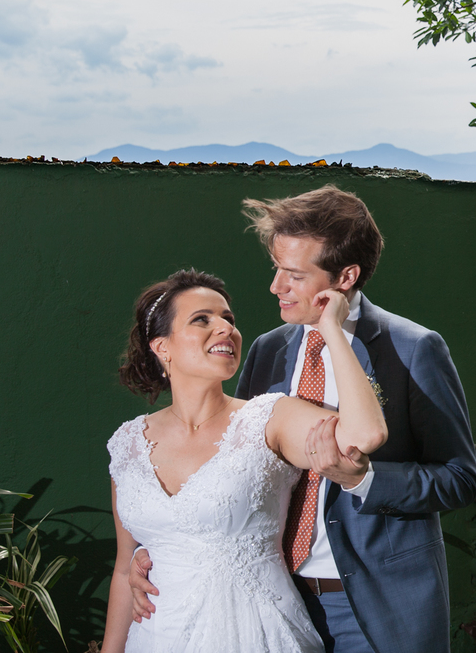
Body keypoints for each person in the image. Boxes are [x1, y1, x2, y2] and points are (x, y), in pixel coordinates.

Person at [130, 185, 476, 653]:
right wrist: (154, 551)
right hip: (272, 601)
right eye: (276, 269)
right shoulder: (268, 350)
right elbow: (230, 468)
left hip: (377, 606)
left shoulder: (413, 349)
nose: (276, 287)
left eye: (293, 274)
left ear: (346, 277)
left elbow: (459, 478)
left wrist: (365, 481)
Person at [101, 268, 388, 653]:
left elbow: (364, 436)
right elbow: (124, 569)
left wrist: (330, 330)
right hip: (155, 636)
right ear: (162, 347)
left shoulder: (269, 419)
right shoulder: (127, 443)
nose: (225, 328)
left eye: (228, 320)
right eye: (202, 319)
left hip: (258, 635)